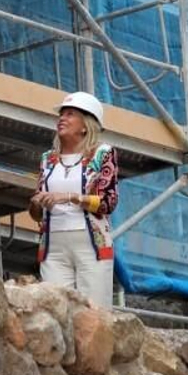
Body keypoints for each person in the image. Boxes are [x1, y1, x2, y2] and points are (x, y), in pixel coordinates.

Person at [29, 91, 119, 307]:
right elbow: (35, 215)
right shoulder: (47, 159)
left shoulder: (103, 154)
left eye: (70, 114)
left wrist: (71, 197)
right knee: (56, 310)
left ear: (85, 125)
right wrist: (36, 203)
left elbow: (107, 202)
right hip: (54, 245)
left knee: (94, 313)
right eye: (61, 114)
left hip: (91, 246)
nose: (62, 118)